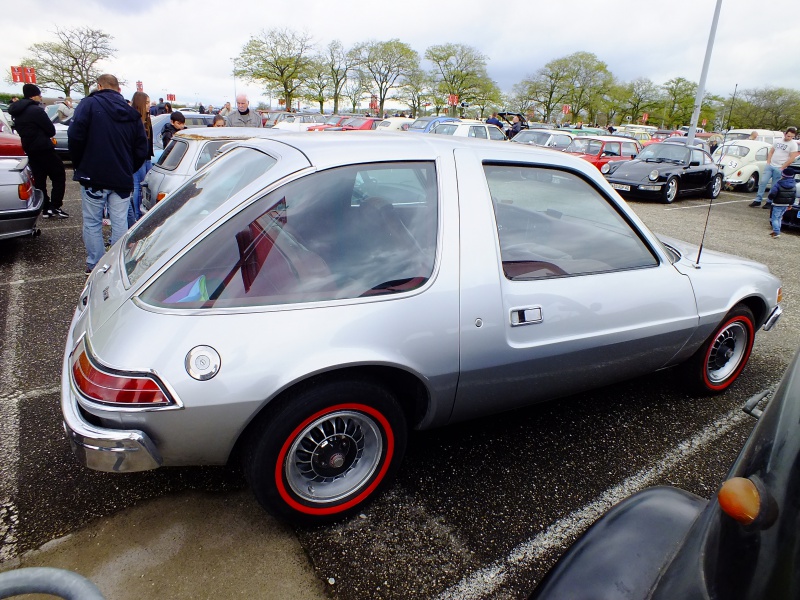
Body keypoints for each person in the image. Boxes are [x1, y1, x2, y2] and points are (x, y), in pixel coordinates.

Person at [68, 73, 148, 275]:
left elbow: (75, 137)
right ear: (119, 89)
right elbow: (141, 148)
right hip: (121, 176)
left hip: (93, 175)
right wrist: (128, 167)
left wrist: (81, 164)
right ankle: (116, 264)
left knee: (93, 222)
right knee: (119, 221)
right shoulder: (131, 114)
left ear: (99, 86)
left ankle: (95, 264)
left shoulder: (88, 105)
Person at [8, 83, 68, 218]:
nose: (40, 98)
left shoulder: (17, 112)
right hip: (44, 148)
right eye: (39, 95)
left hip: (29, 149)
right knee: (58, 175)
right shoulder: (37, 111)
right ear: (34, 96)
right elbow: (50, 130)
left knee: (39, 180)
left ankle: (45, 207)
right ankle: (55, 206)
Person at [750, 127, 798, 208]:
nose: (789, 138)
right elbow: (771, 151)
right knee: (763, 182)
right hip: (771, 165)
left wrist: (783, 167)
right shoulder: (778, 141)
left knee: (774, 185)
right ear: (785, 134)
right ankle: (758, 200)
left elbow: (792, 158)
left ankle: (769, 201)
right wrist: (768, 162)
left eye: (792, 137)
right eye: (788, 136)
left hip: (780, 167)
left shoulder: (793, 144)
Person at [130, 91, 154, 226]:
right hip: (138, 158)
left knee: (146, 186)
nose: (149, 105)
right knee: (138, 187)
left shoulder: (147, 119)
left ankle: (142, 214)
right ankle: (138, 217)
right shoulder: (135, 119)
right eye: (146, 102)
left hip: (146, 157)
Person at [766, 168, 797, 238]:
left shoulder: (779, 183)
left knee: (774, 218)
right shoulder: (794, 184)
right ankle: (777, 231)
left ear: (783, 175)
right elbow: (793, 196)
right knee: (779, 218)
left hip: (777, 203)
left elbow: (773, 193)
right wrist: (790, 204)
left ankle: (776, 232)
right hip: (786, 204)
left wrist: (770, 198)